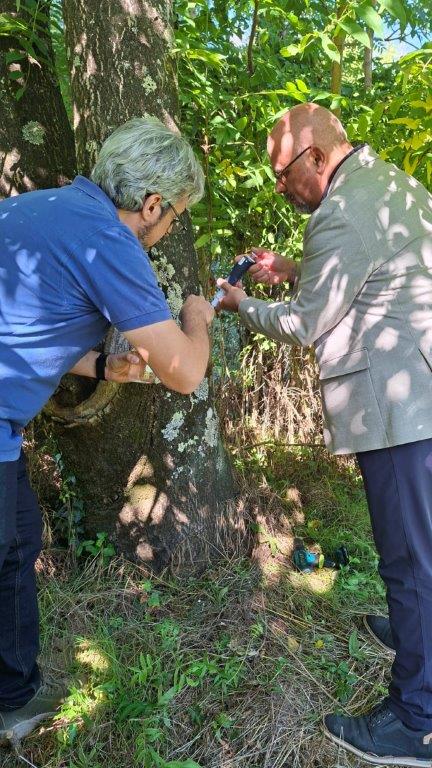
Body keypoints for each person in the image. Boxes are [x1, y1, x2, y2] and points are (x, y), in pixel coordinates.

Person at [217, 102, 432, 767]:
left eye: (283, 174)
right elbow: (370, 279)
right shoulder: (390, 183)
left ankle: (417, 720)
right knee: (420, 546)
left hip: (402, 415)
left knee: (410, 557)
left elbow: (306, 325)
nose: (281, 188)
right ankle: (412, 633)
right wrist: (296, 269)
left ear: (313, 156)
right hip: (420, 388)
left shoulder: (339, 212)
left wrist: (239, 303)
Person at [0, 116, 214, 743]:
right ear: (150, 205)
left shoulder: (36, 209)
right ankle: (15, 704)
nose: (168, 228)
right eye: (172, 215)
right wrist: (196, 317)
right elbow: (183, 372)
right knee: (10, 548)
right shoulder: (109, 240)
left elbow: (27, 325)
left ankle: (14, 694)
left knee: (16, 537)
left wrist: (100, 364)